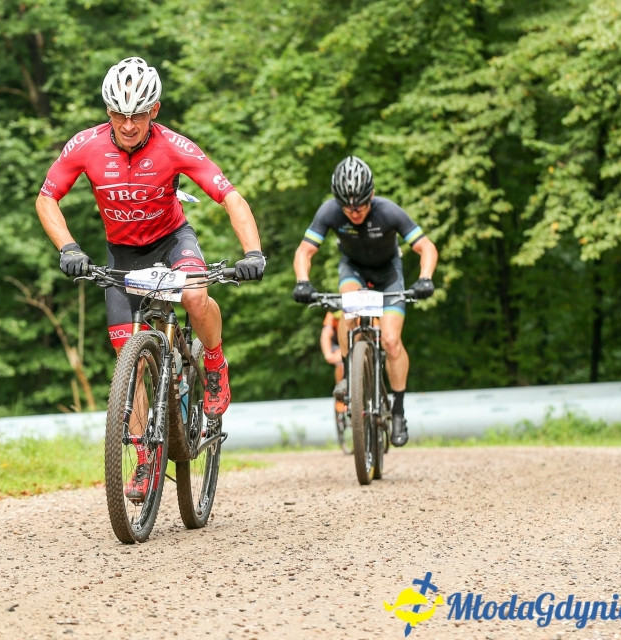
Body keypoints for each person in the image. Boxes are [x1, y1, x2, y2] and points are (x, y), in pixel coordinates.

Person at [36, 56, 265, 499]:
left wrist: (252, 252)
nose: (127, 124)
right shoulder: (85, 145)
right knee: (131, 362)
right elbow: (47, 199)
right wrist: (68, 247)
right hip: (121, 254)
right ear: (107, 111)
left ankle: (214, 362)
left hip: (171, 241)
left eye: (137, 114)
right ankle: (144, 457)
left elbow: (231, 197)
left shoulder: (175, 146)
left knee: (197, 297)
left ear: (154, 111)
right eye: (118, 113)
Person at [292, 155, 437, 447]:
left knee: (392, 342)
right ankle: (350, 374)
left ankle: (397, 411)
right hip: (354, 271)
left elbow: (427, 248)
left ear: (371, 195)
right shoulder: (330, 211)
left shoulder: (388, 211)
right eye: (347, 206)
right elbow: (304, 252)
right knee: (350, 306)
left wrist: (425, 278)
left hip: (389, 275)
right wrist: (302, 282)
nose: (354, 212)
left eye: (359, 205)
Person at [320, 310, 346, 415]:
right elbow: (326, 334)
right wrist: (328, 354)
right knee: (341, 363)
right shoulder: (334, 313)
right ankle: (341, 394)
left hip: (359, 342)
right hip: (339, 345)